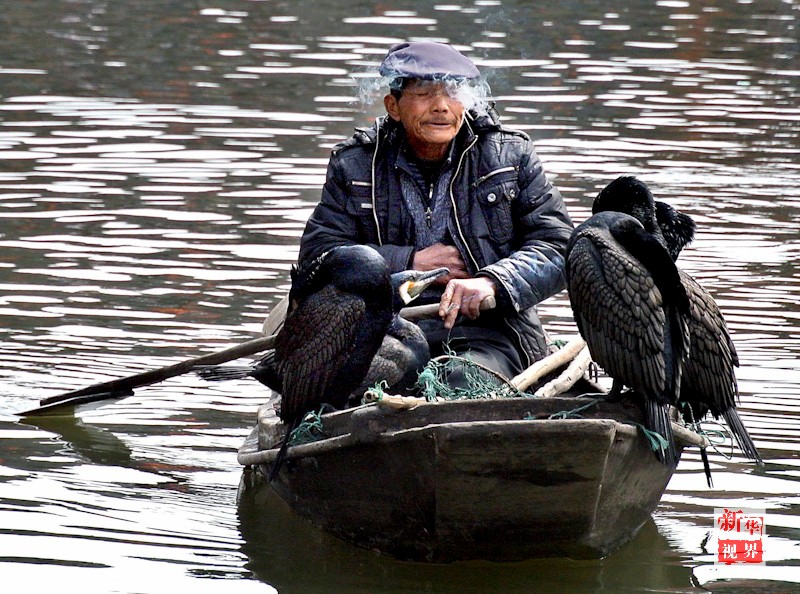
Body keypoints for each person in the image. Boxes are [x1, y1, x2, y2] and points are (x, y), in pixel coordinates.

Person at [298, 41, 574, 388]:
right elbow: (318, 258)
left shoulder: (509, 155)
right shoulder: (354, 163)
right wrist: (408, 261)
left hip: (489, 331)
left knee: (460, 381)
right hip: (384, 327)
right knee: (375, 384)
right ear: (393, 106)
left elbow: (560, 247)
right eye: (426, 93)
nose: (442, 106)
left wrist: (492, 282)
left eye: (453, 92)